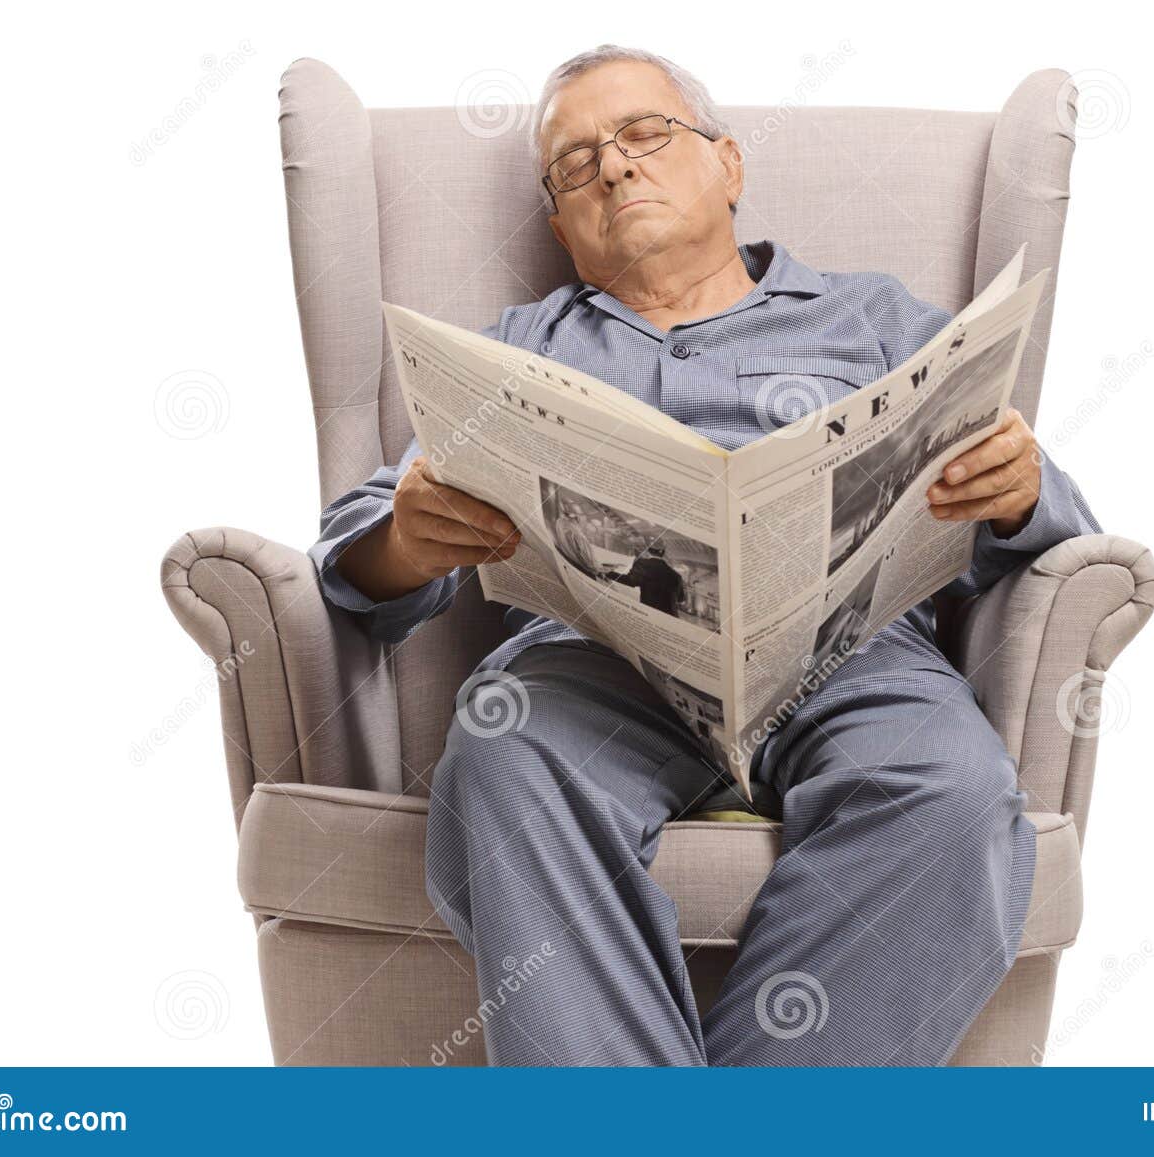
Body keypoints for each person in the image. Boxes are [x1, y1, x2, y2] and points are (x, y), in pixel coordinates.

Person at [308, 44, 1100, 1066]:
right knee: (504, 761)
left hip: (853, 656)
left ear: (727, 164)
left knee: (952, 796)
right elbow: (355, 553)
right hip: (592, 661)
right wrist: (402, 539)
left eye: (643, 135)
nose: (614, 168)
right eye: (576, 162)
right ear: (560, 223)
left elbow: (1050, 519)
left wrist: (1020, 490)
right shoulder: (515, 352)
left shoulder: (876, 319)